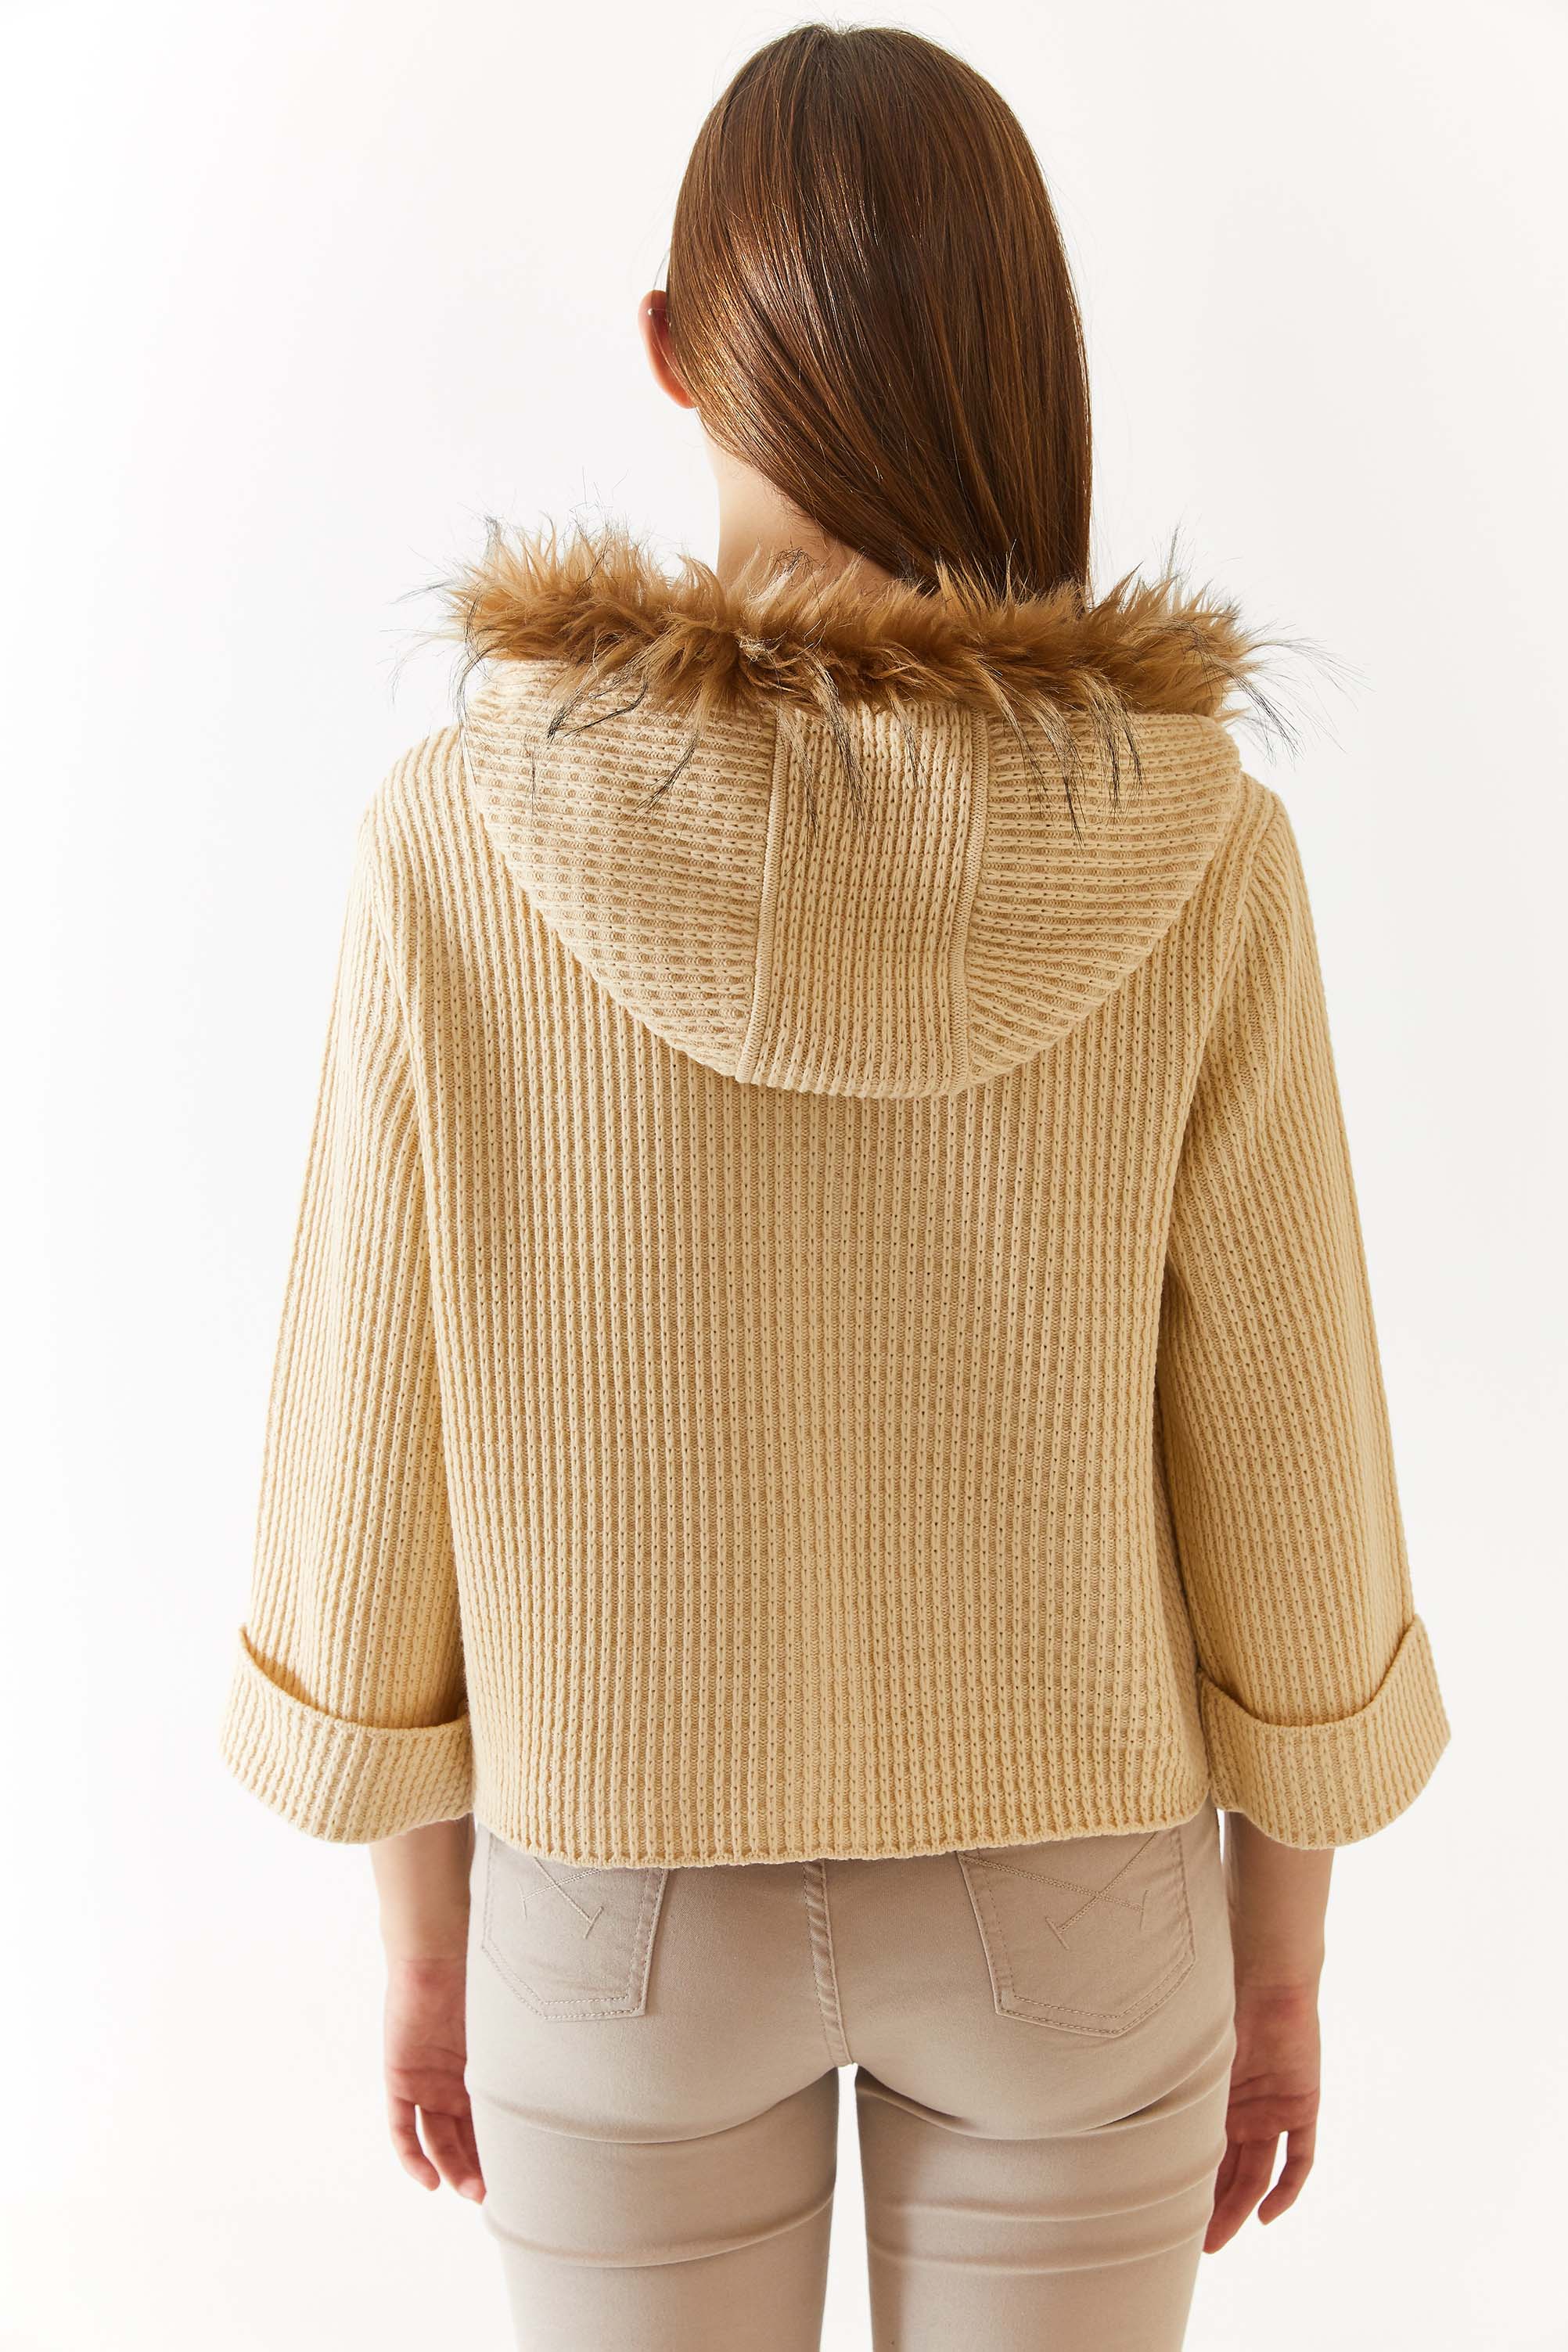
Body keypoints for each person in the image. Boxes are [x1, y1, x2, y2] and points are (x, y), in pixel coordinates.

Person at [219, 23, 1450, 2350]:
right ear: (1024, 359)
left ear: (673, 351)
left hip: (612, 1909)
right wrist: (1279, 1963)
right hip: (1076, 1909)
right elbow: (1291, 1467)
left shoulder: (452, 841)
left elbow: (368, 1459)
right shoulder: (1196, 846)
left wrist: (424, 1937)